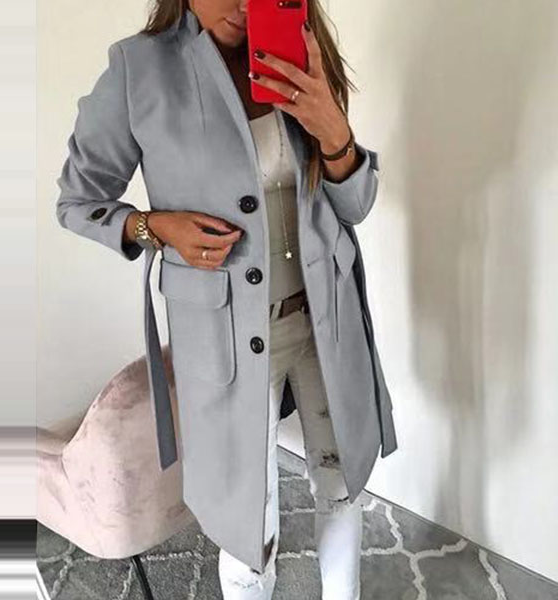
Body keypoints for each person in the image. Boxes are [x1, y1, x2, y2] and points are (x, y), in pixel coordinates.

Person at [56, 0, 397, 598]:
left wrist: (334, 132)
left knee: (342, 487)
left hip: (326, 318)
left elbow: (355, 207)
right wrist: (156, 227)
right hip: (227, 339)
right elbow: (78, 201)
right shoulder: (141, 69)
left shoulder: (299, 52)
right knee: (247, 531)